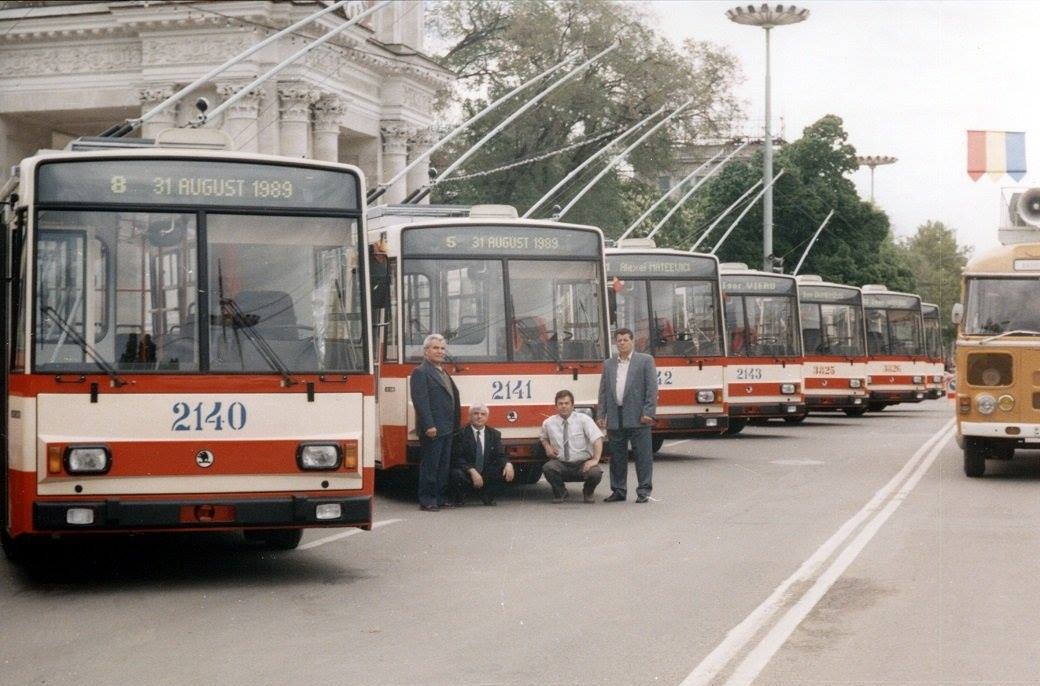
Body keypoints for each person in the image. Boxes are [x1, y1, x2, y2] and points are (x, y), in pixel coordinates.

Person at [598, 327, 658, 503]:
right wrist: (601, 414)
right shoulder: (609, 364)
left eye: (625, 340)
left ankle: (643, 491)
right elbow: (603, 391)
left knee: (643, 456)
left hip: (639, 416)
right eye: (619, 340)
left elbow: (651, 389)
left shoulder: (645, 361)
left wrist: (648, 412)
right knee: (616, 456)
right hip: (616, 416)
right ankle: (618, 490)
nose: (622, 343)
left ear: (632, 341)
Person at [409, 333, 461, 511]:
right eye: (435, 348)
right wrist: (429, 425)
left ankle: (440, 497)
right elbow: (421, 401)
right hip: (433, 428)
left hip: (447, 427)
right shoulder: (420, 372)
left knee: (443, 465)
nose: (440, 351)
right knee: (431, 465)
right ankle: (428, 500)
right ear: (426, 351)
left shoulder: (442, 371)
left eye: (442, 348)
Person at [540, 389, 604, 504]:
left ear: (572, 405)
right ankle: (561, 493)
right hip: (561, 463)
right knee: (548, 468)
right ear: (556, 406)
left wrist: (595, 459)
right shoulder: (548, 423)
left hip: (582, 463)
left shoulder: (584, 420)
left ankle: (588, 492)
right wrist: (547, 446)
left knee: (596, 473)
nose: (563, 406)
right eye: (560, 404)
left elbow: (597, 438)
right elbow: (543, 437)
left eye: (566, 403)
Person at [450, 404, 514, 506]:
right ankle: (461, 496)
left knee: (503, 470)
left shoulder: (494, 434)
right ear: (469, 416)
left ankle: (487, 495)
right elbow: (457, 457)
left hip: (485, 471)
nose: (479, 416)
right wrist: (472, 471)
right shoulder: (460, 434)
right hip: (466, 471)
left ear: (487, 417)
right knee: (456, 473)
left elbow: (499, 454)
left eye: (483, 414)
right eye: (475, 413)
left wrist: (508, 464)